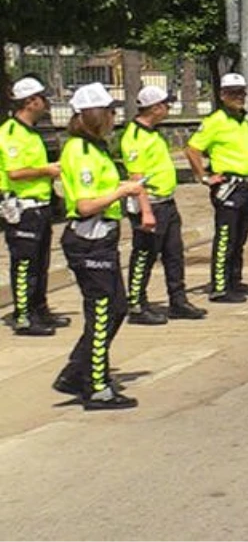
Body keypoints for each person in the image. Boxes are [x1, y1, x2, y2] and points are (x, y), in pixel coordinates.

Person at [53, 83, 148, 410]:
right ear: (94, 115)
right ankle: (96, 386)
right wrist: (123, 193)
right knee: (102, 311)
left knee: (116, 307)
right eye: (109, 111)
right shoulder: (78, 151)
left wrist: (124, 187)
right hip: (88, 240)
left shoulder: (97, 149)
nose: (113, 116)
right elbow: (84, 205)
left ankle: (75, 372)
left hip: (102, 238)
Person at [122, 85, 207, 323]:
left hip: (167, 202)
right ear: (156, 107)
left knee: (174, 254)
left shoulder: (154, 133)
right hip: (150, 203)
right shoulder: (135, 137)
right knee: (144, 255)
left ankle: (178, 300)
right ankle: (137, 304)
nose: (169, 108)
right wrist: (146, 211)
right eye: (166, 104)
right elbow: (136, 178)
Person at [1, 76, 68, 336]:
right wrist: (46, 170)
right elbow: (15, 172)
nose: (47, 103)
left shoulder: (31, 132)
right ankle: (24, 315)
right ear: (31, 102)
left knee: (41, 262)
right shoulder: (11, 133)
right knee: (25, 263)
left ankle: (39, 308)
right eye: (43, 98)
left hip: (40, 205)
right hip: (22, 208)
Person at [185, 73, 248, 303]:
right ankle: (219, 286)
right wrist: (204, 177)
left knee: (240, 238)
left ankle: (234, 280)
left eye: (242, 92)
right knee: (226, 237)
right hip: (228, 187)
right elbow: (192, 149)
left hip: (245, 185)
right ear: (222, 95)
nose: (239, 97)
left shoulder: (243, 119)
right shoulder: (215, 121)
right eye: (233, 93)